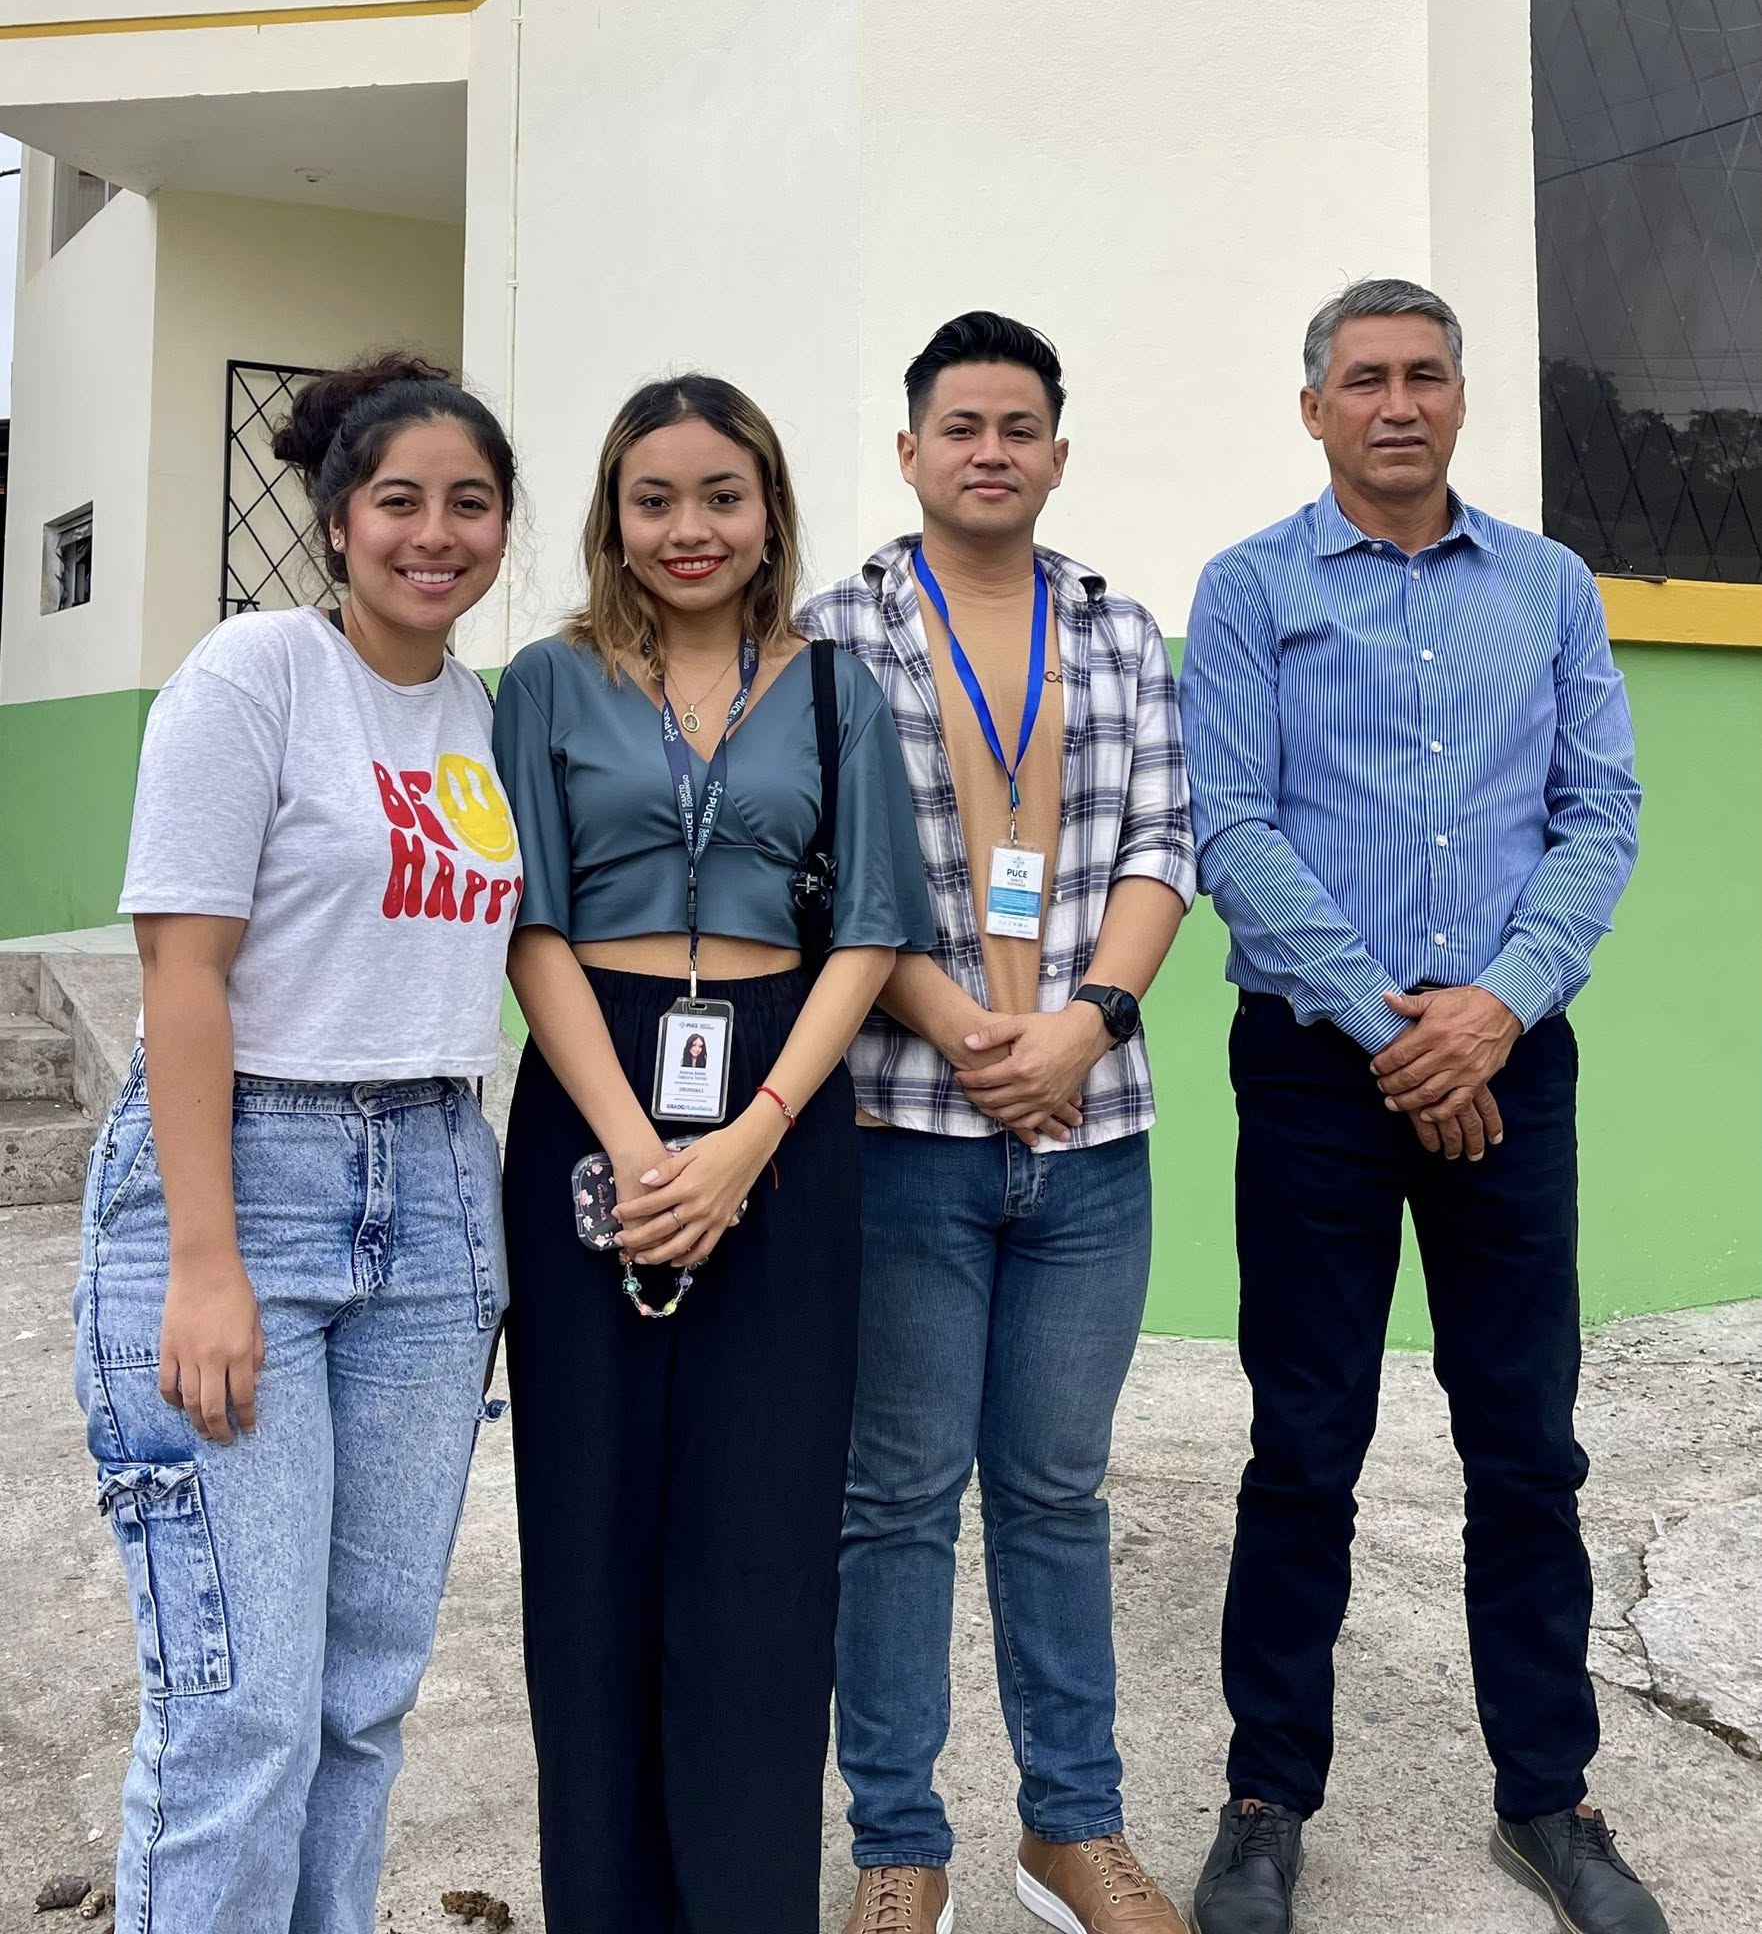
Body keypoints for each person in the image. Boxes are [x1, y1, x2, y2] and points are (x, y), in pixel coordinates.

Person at [1179, 279, 1656, 1934]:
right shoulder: (1248, 589)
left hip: (1510, 1061)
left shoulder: (1549, 588)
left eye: (1425, 377)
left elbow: (1598, 812)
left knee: (1523, 1445)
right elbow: (1232, 828)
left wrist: (1492, 1011)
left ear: (1460, 399)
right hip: (1318, 1067)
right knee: (1303, 1444)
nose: (1397, 403)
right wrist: (1396, 1030)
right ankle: (1264, 1800)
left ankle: (1548, 1797)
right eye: (1365, 379)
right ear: (1312, 407)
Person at [74, 355, 523, 1933]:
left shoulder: (484, 712)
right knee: (239, 1707)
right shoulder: (256, 672)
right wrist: (204, 1263)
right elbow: (180, 972)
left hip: (438, 1185)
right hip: (248, 1176)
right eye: (399, 501)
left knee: (358, 1699)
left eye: (471, 504)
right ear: (337, 520)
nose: (435, 534)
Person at [492, 374, 935, 1933]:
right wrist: (632, 1146)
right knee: (591, 1531)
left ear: (769, 511)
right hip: (590, 1091)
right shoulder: (545, 684)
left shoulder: (833, 691)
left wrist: (749, 1139)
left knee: (761, 1543)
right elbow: (528, 923)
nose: (689, 528)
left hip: (779, 1100)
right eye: (654, 498)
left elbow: (869, 930)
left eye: (721, 496)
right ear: (612, 516)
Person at [801, 311, 1195, 1934]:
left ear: (1055, 452)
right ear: (909, 451)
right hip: (903, 1123)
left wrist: (1085, 1022)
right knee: (893, 1500)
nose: (988, 450)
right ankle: (897, 1845)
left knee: (1053, 1494)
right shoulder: (831, 635)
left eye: (1017, 427)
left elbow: (1165, 843)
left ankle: (1070, 1830)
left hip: (1091, 1137)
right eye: (958, 425)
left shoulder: (1116, 629)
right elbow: (818, 870)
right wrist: (969, 1034)